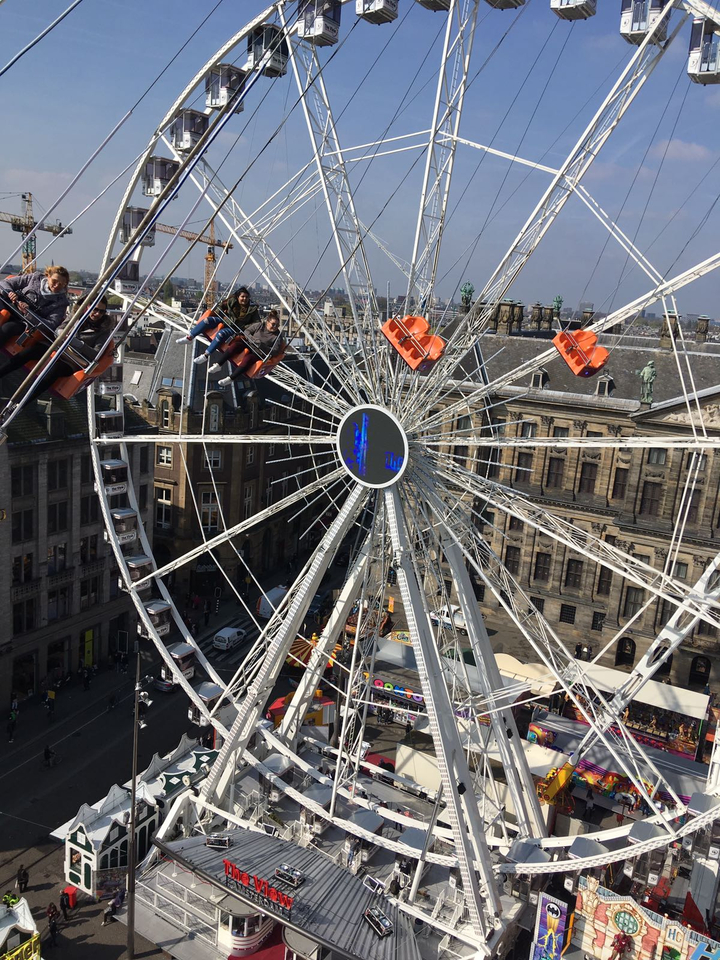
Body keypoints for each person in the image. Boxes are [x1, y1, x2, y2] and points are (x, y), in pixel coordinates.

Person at [0, 266, 70, 380]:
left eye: (61, 284)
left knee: (9, 328)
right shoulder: (34, 278)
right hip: (10, 307)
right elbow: (5, 283)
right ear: (48, 276)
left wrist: (30, 313)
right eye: (54, 281)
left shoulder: (61, 303)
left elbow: (51, 324)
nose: (56, 286)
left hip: (24, 322)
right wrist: (10, 293)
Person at [177, 285, 261, 363]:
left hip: (234, 328)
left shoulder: (252, 310)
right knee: (207, 320)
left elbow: (257, 324)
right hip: (224, 320)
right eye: (242, 297)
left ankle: (205, 355)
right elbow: (220, 307)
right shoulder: (231, 301)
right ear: (238, 297)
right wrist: (221, 314)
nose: (244, 299)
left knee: (221, 334)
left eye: (246, 297)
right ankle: (189, 337)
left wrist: (244, 328)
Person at [216, 311, 286, 385]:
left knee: (248, 358)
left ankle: (231, 378)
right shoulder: (259, 326)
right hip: (248, 344)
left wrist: (261, 346)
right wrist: (253, 339)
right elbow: (247, 331)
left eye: (277, 325)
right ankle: (218, 364)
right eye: (273, 324)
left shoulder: (277, 337)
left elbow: (275, 351)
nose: (275, 327)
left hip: (258, 352)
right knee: (235, 346)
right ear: (267, 322)